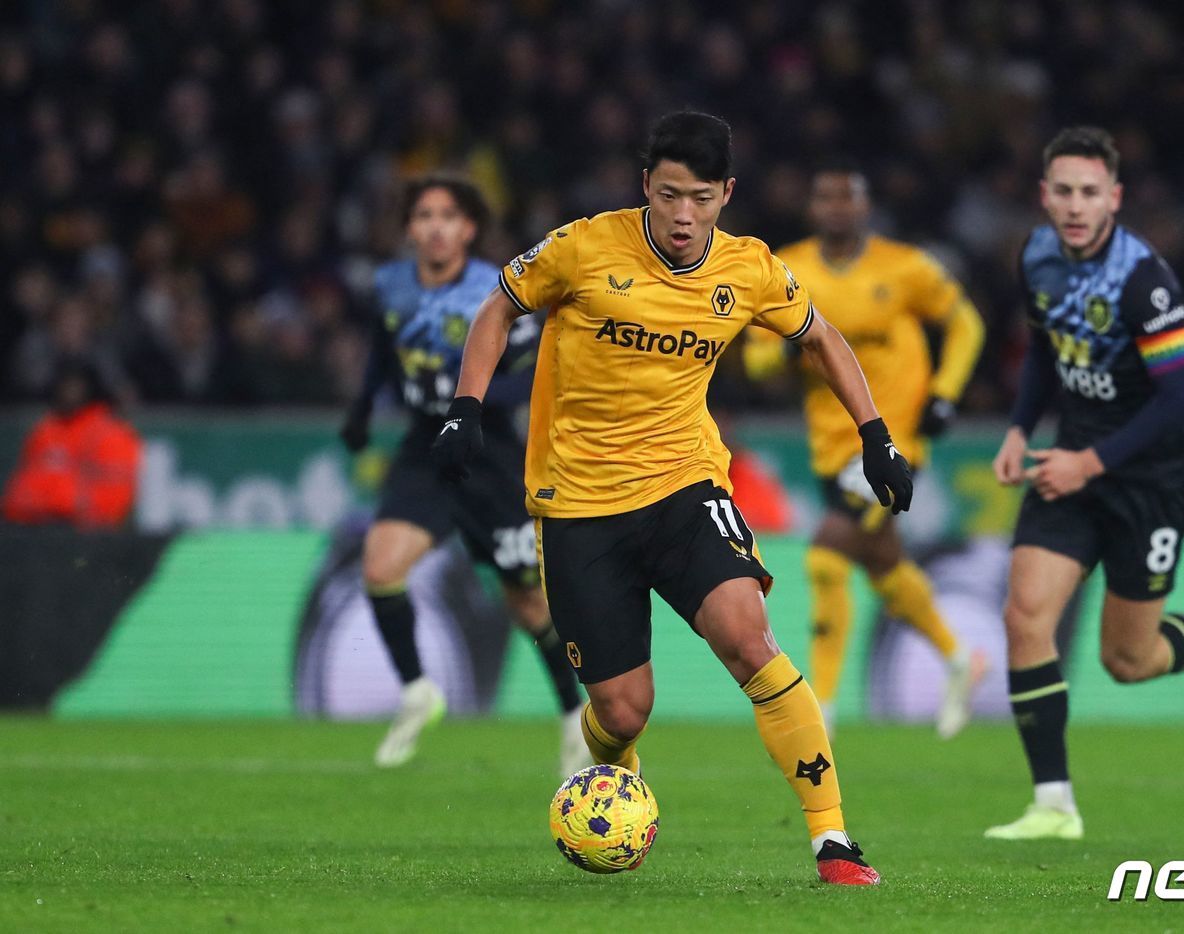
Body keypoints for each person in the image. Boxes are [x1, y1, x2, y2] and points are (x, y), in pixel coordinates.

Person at [431, 112, 914, 885]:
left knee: (748, 636)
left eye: (698, 198)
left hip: (684, 486)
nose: (682, 216)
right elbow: (498, 307)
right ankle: (611, 771)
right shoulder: (583, 247)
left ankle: (833, 840)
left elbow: (821, 336)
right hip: (579, 504)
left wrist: (876, 436)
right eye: (666, 196)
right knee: (623, 710)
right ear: (643, 187)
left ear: (726, 193)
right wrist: (468, 407)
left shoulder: (749, 270)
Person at [986, 127, 1184, 841]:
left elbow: (1181, 400)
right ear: (1043, 195)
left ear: (1114, 197)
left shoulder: (1143, 280)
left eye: (1090, 192)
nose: (1075, 206)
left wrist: (1090, 461)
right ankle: (1054, 805)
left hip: (1152, 479)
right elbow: (1049, 356)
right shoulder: (1038, 256)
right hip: (1072, 465)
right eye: (1063, 192)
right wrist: (1022, 428)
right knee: (1026, 615)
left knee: (1128, 660)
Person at [340, 175, 588, 774]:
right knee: (380, 566)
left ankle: (572, 715)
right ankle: (418, 691)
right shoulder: (391, 284)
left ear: (468, 229)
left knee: (528, 603)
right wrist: (363, 405)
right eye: (424, 215)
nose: (435, 226)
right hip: (427, 449)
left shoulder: (495, 289)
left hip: (488, 450)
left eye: (448, 215)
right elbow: (383, 348)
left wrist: (461, 396)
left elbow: (529, 372)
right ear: (409, 228)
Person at [745, 160, 988, 738]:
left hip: (893, 442)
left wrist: (946, 395)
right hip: (831, 447)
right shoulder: (788, 271)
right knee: (885, 569)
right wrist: (790, 344)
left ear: (864, 206)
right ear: (813, 208)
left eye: (847, 198)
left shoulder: (904, 268)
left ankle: (820, 710)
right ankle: (960, 660)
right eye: (826, 199)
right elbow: (753, 361)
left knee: (826, 558)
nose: (837, 209)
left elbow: (967, 325)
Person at [2, 359, 141, 529]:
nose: (68, 392)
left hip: (83, 534)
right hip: (33, 528)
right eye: (64, 385)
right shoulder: (44, 430)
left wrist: (63, 506)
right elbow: (19, 492)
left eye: (75, 386)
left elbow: (114, 502)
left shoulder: (110, 434)